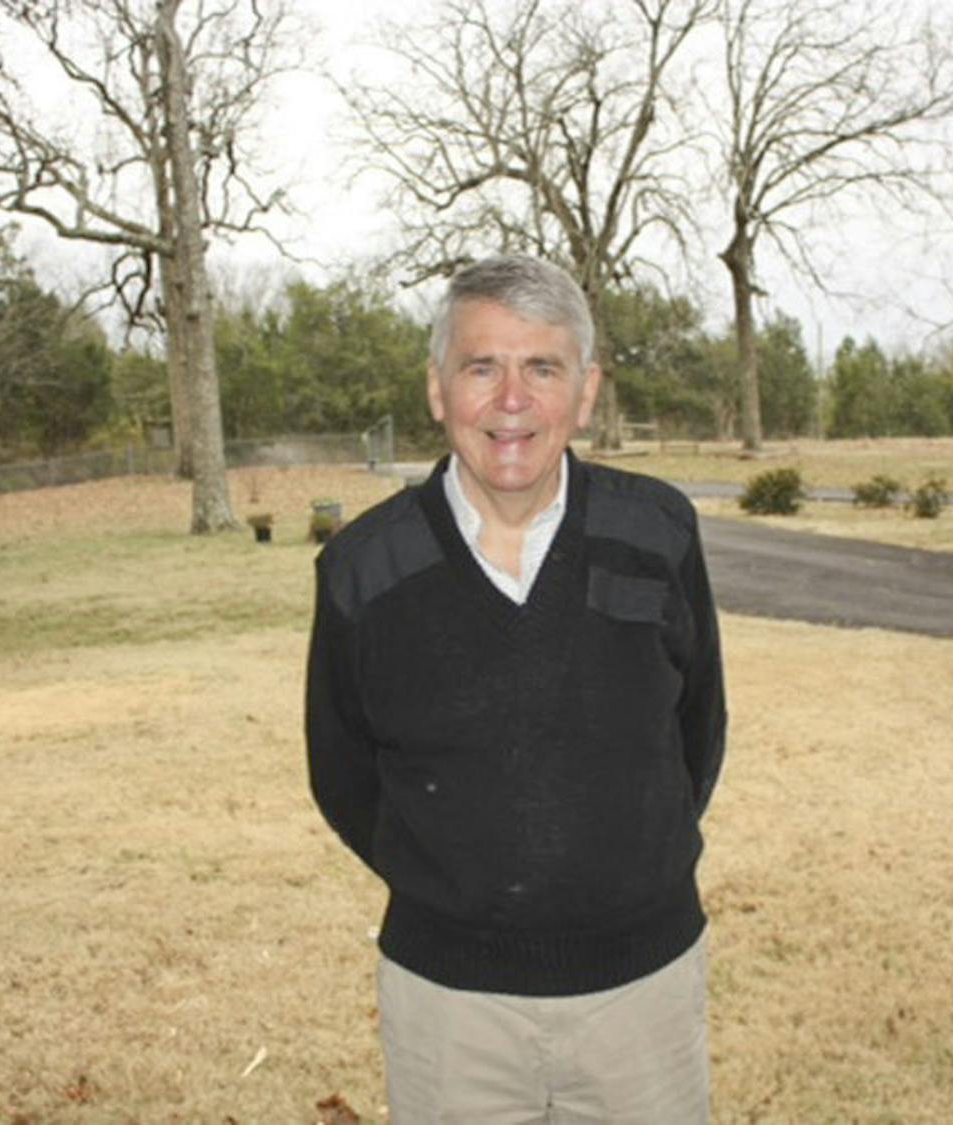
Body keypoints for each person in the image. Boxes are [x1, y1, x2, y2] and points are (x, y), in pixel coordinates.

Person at [305, 255, 726, 1123]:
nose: (511, 400)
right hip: (450, 1008)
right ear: (436, 388)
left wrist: (618, 872)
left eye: (542, 367)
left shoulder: (657, 532)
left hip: (640, 996)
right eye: (481, 366)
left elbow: (698, 730)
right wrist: (458, 888)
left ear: (586, 389)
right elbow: (341, 769)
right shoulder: (364, 569)